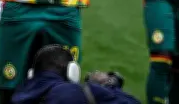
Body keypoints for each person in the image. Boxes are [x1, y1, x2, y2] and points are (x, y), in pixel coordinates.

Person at [11, 44, 140, 104]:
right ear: (72, 70)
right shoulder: (78, 92)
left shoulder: (19, 95)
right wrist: (108, 85)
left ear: (32, 73)